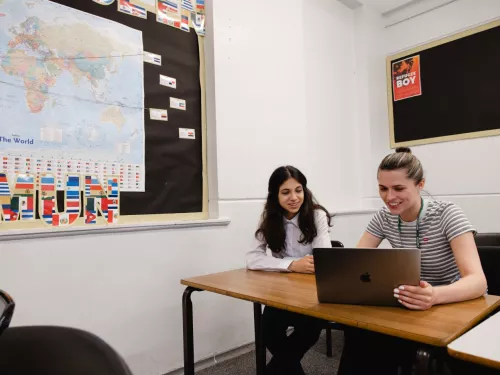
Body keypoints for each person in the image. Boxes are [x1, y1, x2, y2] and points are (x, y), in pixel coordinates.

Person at [337, 147, 488, 375]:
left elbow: (478, 282)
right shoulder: (383, 216)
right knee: (359, 335)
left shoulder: (448, 214)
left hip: (449, 304)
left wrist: (434, 296)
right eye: (383, 188)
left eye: (398, 188)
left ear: (420, 185)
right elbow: (357, 262)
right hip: (408, 305)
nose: (389, 197)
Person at [246, 165, 332, 375]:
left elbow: (324, 258)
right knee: (269, 330)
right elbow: (252, 258)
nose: (294, 197)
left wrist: (299, 264)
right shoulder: (270, 219)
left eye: (298, 190)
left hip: (313, 295)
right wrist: (291, 265)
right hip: (282, 293)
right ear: (275, 195)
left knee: (309, 330)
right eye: (285, 192)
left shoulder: (316, 215)